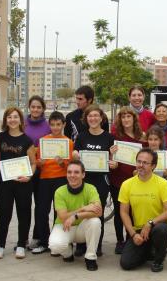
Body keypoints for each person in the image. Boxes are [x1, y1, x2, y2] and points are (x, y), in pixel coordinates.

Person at [119, 148, 167, 272]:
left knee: (162, 230)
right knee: (126, 264)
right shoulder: (127, 184)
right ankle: (149, 250)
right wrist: (133, 234)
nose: (141, 165)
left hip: (157, 226)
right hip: (138, 230)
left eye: (145, 163)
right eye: (139, 161)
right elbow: (123, 212)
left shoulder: (163, 184)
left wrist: (150, 223)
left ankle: (158, 259)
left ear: (153, 166)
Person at [72, 105, 117, 256]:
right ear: (86, 119)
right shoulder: (82, 136)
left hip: (101, 181)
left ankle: (96, 245)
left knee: (98, 212)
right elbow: (75, 154)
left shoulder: (109, 137)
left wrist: (113, 162)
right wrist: (75, 155)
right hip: (83, 181)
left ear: (101, 118)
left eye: (96, 115)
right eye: (90, 116)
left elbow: (113, 160)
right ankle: (80, 244)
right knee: (82, 210)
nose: (93, 118)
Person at [0, 107, 36, 260]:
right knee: (5, 214)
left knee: (23, 214)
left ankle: (20, 245)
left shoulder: (27, 140)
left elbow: (33, 163)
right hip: (5, 182)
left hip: (23, 183)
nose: (12, 120)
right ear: (5, 120)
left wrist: (28, 176)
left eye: (15, 117)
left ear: (20, 120)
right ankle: (0, 246)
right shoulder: (0, 138)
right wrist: (4, 168)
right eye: (9, 117)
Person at [32, 111, 74, 254]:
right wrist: (39, 162)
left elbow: (70, 166)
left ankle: (58, 241)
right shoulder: (43, 140)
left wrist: (62, 163)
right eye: (53, 125)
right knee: (41, 211)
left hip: (61, 179)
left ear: (63, 125)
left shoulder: (68, 142)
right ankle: (44, 241)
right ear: (49, 125)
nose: (55, 128)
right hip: (45, 179)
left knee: (60, 212)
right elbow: (36, 162)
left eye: (58, 125)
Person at [49, 160, 102, 271]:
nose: (72, 175)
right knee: (55, 245)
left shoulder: (91, 188)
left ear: (83, 174)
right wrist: (82, 209)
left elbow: (99, 212)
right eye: (69, 172)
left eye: (76, 172)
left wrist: (76, 216)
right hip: (65, 226)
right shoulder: (59, 191)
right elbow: (63, 217)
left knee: (95, 222)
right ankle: (68, 253)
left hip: (82, 227)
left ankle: (90, 257)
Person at [110, 106, 146, 254]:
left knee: (133, 211)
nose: (126, 119)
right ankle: (119, 241)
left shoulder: (141, 136)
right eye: (123, 117)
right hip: (117, 179)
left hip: (134, 179)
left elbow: (145, 156)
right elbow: (110, 159)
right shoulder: (115, 135)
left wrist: (140, 169)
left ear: (133, 119)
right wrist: (112, 156)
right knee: (119, 212)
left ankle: (130, 237)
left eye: (128, 117)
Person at [24, 95, 51, 250]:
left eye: (38, 107)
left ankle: (38, 237)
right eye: (33, 106)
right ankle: (23, 239)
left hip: (42, 171)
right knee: (25, 205)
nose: (35, 109)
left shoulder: (47, 126)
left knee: (41, 206)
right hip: (25, 169)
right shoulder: (22, 124)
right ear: (29, 107)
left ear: (43, 109)